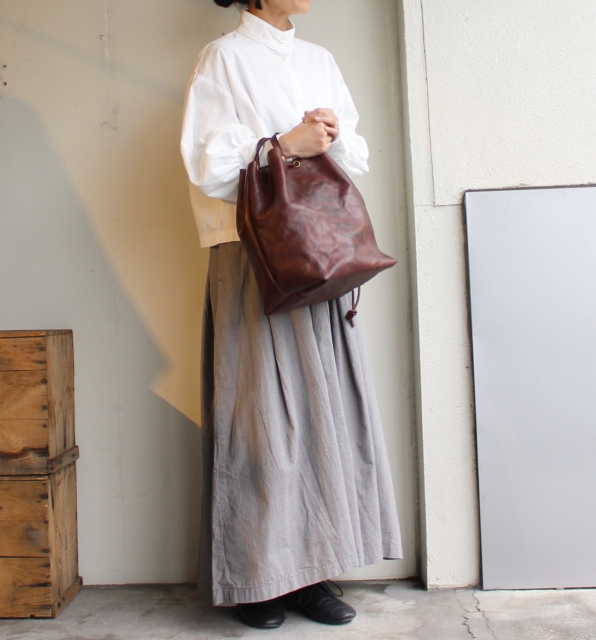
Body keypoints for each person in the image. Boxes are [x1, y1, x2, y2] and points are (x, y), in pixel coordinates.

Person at [180, 0, 403, 630]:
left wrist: (330, 136)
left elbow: (355, 158)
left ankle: (311, 573)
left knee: (324, 415)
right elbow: (206, 167)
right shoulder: (223, 58)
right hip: (256, 256)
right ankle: (257, 578)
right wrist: (283, 146)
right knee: (260, 417)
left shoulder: (318, 59)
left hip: (321, 253)